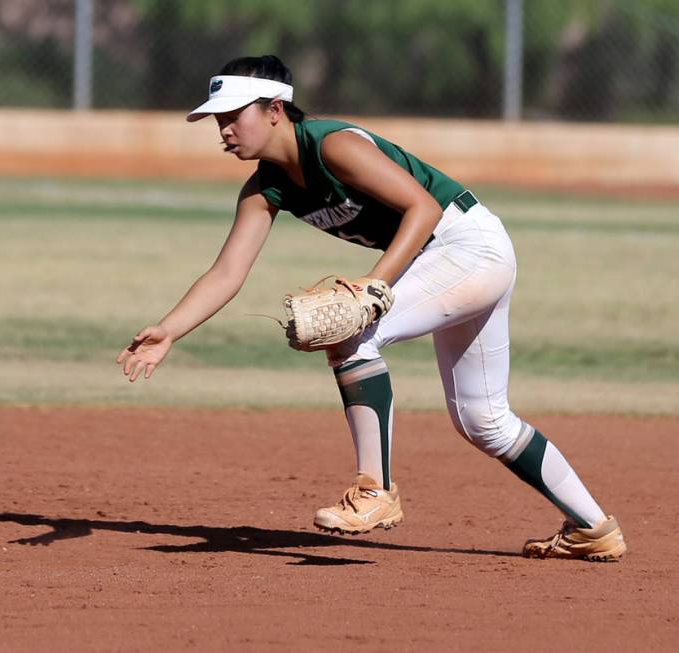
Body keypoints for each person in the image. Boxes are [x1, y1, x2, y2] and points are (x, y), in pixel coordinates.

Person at [116, 55, 626, 562]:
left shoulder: (332, 144)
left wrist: (374, 287)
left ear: (275, 109)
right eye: (218, 120)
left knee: (347, 331)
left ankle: (375, 491)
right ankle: (592, 527)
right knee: (483, 420)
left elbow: (423, 208)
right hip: (451, 260)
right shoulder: (265, 186)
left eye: (233, 115)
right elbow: (228, 272)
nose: (224, 130)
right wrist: (170, 330)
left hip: (468, 247)